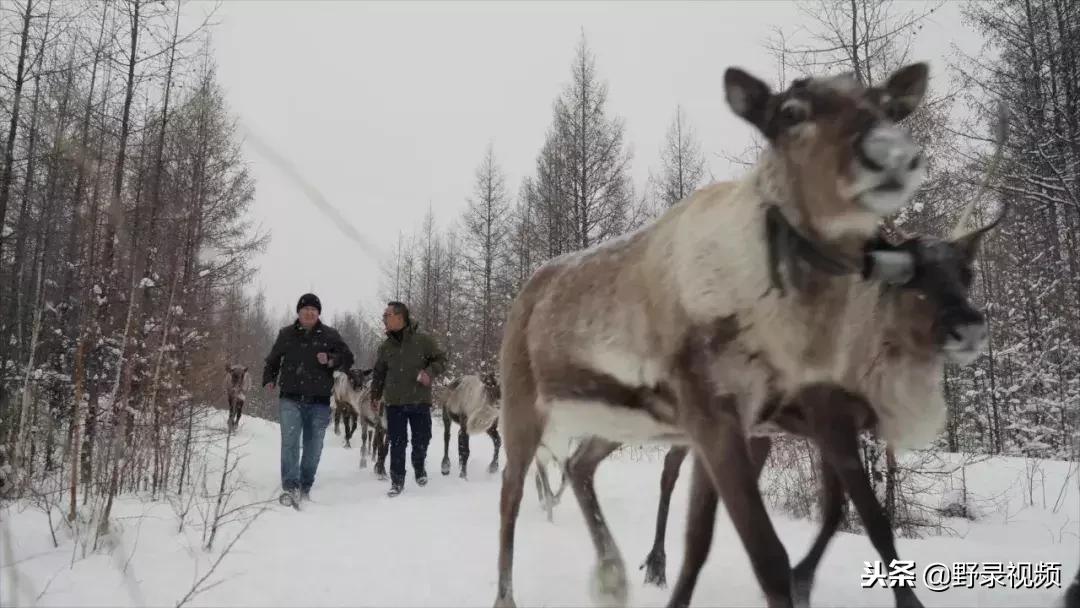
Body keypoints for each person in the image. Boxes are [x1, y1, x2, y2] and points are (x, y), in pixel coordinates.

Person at [262, 293, 354, 507]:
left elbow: (348, 359)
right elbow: (272, 360)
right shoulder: (286, 334)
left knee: (313, 446)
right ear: (299, 312)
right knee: (290, 442)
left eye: (314, 309)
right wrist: (269, 379)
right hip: (290, 398)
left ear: (318, 313)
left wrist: (331, 360)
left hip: (319, 400)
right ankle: (291, 485)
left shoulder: (330, 335)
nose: (309, 313)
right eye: (305, 309)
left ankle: (306, 483)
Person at [369, 301, 447, 497]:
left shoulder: (422, 340)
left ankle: (419, 465)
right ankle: (397, 481)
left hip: (419, 400)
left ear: (399, 317)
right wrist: (375, 395)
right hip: (394, 402)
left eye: (387, 315)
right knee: (397, 442)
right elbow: (379, 373)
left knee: (423, 438)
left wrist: (429, 372)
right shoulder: (385, 347)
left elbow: (441, 360)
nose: (384, 318)